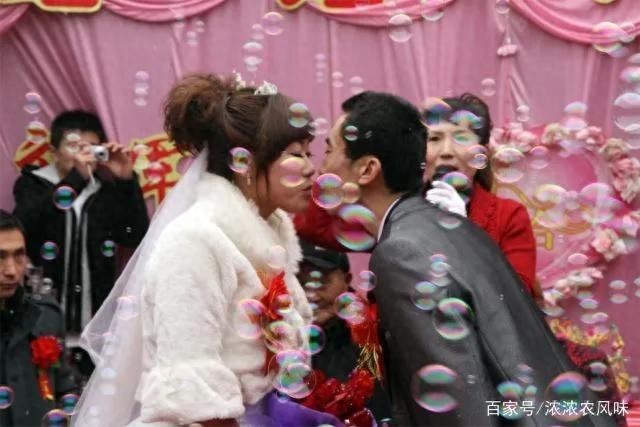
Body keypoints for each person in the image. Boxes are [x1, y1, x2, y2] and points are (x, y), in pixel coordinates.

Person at [314, 91, 616, 426]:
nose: (321, 168)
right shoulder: (444, 225)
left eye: (328, 150)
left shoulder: (402, 252)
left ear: (367, 169)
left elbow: (459, 404)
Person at [72, 74, 343, 427]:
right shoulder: (194, 241)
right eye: (295, 154)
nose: (310, 168)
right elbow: (190, 392)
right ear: (246, 163)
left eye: (309, 153)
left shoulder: (268, 245)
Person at [12, 110, 149, 342]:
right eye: (74, 146)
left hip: (94, 323)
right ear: (54, 152)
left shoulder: (105, 192)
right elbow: (25, 226)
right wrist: (76, 178)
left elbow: (135, 236)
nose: (84, 155)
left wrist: (126, 181)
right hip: (40, 315)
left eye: (92, 148)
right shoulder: (32, 184)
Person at [298, 240, 391, 422]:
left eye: (322, 282)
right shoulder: (281, 338)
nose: (312, 296)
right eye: (302, 283)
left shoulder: (372, 335)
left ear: (347, 281)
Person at [0, 210, 78, 427]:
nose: (12, 270)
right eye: (0, 256)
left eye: (19, 255)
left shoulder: (45, 316)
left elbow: (65, 389)